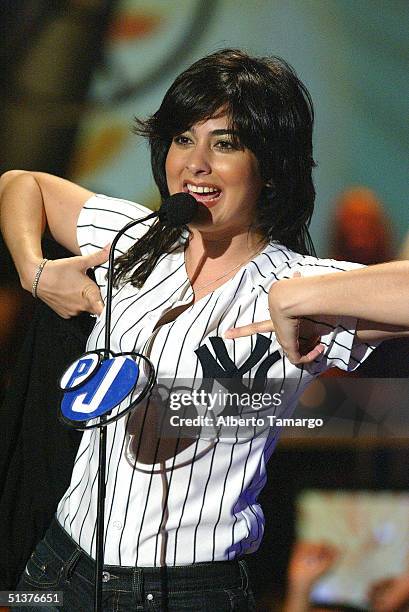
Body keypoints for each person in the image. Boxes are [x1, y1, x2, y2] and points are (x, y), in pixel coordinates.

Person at [1, 49, 409, 612]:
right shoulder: (136, 239)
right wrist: (35, 270)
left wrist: (301, 296)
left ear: (271, 167)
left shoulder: (301, 283)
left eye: (225, 143)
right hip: (57, 568)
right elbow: (24, 185)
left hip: (192, 590)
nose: (194, 164)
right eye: (182, 138)